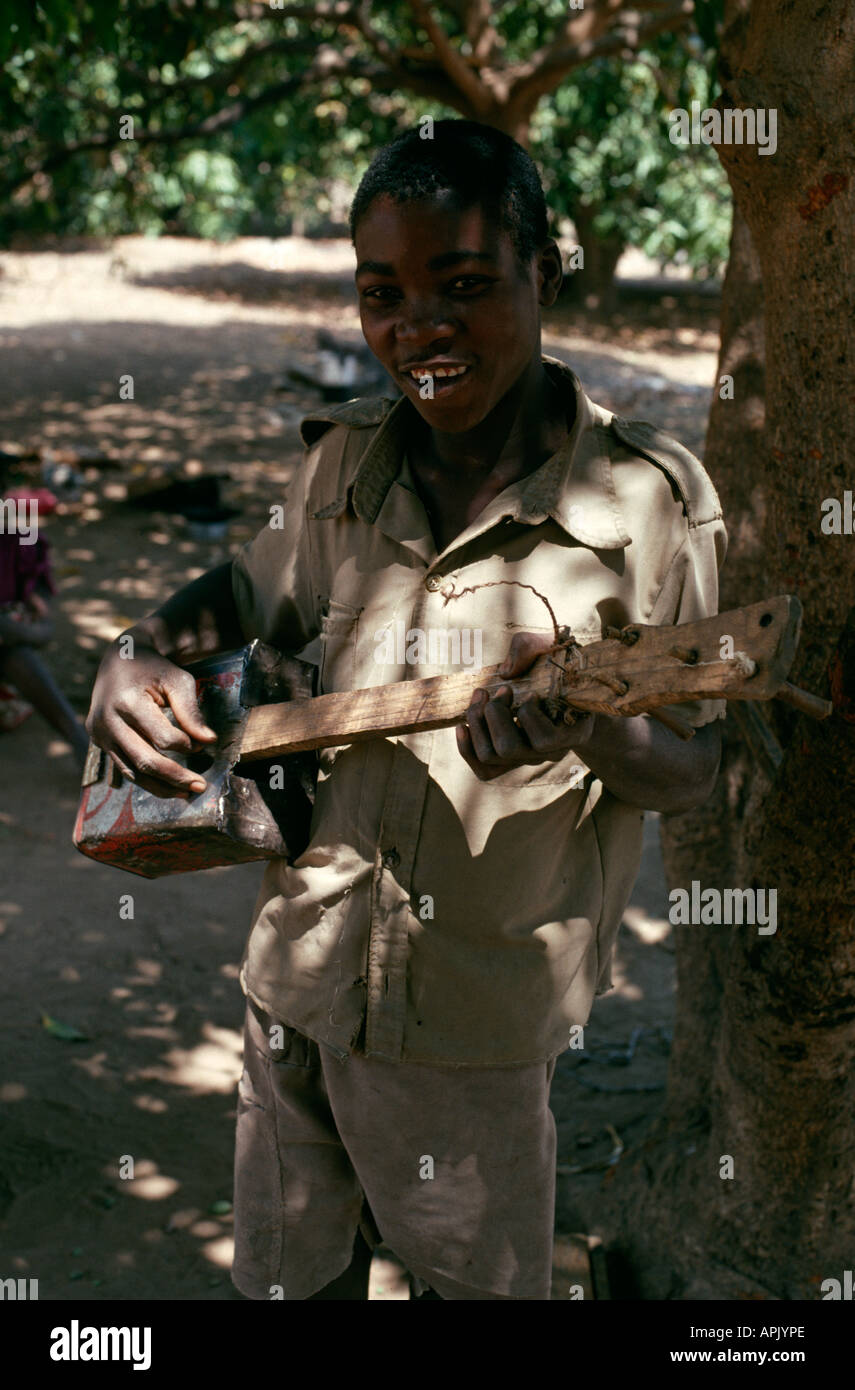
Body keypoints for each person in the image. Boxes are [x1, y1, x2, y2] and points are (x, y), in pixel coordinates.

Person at [84, 120, 727, 1300]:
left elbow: (696, 768)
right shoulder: (341, 467)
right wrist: (128, 654)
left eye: (465, 285)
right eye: (381, 294)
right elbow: (240, 590)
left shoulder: (651, 502)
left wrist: (588, 723)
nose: (416, 327)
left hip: (474, 1030)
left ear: (546, 267)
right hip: (294, 983)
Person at [0, 474, 89, 768]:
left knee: (14, 646)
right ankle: (76, 735)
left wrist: (36, 596)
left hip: (9, 638)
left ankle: (78, 737)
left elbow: (37, 575)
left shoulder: (19, 525)